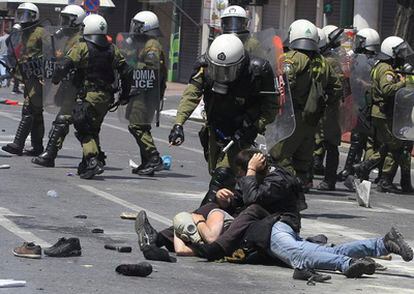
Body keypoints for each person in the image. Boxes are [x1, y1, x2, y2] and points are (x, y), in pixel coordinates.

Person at [168, 33, 277, 206]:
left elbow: (271, 108)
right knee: (218, 173)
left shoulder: (258, 71)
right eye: (217, 69)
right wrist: (178, 124)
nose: (222, 76)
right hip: (214, 129)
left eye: (228, 70)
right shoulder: (204, 68)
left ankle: (200, 219)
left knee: (221, 177)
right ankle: (231, 212)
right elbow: (191, 95)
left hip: (241, 133)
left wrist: (253, 127)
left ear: (241, 65)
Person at [51, 14, 132, 179]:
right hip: (107, 97)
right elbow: (127, 71)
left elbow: (65, 65)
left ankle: (93, 159)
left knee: (83, 130)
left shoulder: (82, 47)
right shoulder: (112, 49)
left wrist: (56, 78)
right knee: (93, 128)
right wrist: (125, 94)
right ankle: (88, 164)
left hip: (88, 95)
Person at [269, 19, 342, 191]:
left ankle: (287, 194)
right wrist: (322, 104)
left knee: (279, 156)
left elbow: (283, 84)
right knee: (302, 161)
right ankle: (299, 195)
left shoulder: (291, 59)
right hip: (312, 119)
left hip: (291, 117)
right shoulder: (323, 62)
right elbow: (337, 87)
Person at [32, 4, 86, 167]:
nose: (63, 23)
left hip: (79, 86)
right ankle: (93, 157)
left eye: (67, 19)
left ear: (77, 21)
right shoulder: (65, 37)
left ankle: (50, 155)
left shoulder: (80, 40)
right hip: (68, 85)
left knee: (64, 120)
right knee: (80, 124)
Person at [360, 36, 413, 193]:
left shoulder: (382, 66)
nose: (402, 56)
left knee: (388, 145)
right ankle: (382, 178)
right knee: (395, 146)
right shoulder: (386, 69)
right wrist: (402, 83)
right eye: (399, 52)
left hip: (381, 112)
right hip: (383, 112)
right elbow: (387, 90)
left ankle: (367, 167)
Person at [121, 11, 168, 176]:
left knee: (137, 125)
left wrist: (133, 69)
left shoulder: (152, 45)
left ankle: (154, 158)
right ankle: (147, 162)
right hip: (141, 90)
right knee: (141, 125)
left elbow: (151, 69)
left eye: (138, 25)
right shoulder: (143, 43)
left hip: (147, 92)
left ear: (146, 27)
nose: (134, 28)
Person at [337, 28, 381, 182]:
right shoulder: (376, 60)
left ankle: (349, 169)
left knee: (359, 139)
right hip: (364, 103)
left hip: (364, 104)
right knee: (363, 139)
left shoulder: (362, 59)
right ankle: (356, 168)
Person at [2, 3, 45, 156]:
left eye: (28, 14)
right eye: (21, 14)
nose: (24, 17)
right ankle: (37, 146)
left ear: (35, 16)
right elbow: (13, 48)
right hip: (26, 76)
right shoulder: (22, 31)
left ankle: (17, 144)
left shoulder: (41, 32)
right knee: (36, 112)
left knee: (29, 109)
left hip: (38, 77)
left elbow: (51, 52)